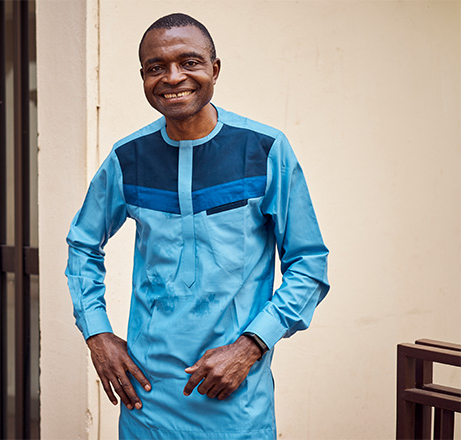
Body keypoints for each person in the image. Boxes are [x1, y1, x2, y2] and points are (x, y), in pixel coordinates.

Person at [65, 12, 329, 440]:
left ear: (214, 69)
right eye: (156, 67)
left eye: (189, 62)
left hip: (236, 402)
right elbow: (82, 244)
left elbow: (309, 264)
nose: (173, 78)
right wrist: (96, 332)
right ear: (143, 77)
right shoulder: (128, 158)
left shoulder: (264, 150)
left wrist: (251, 346)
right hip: (146, 403)